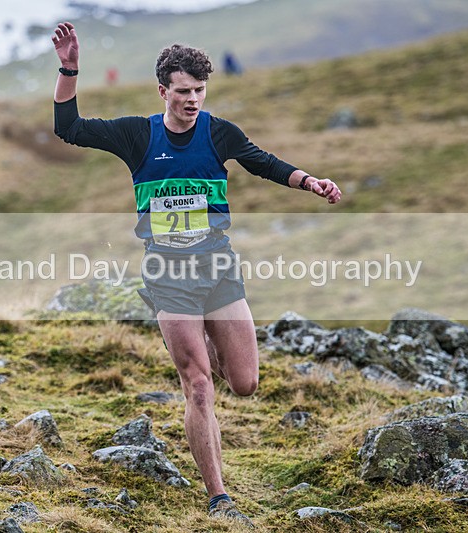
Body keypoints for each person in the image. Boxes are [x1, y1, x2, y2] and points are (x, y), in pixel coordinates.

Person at [52, 21, 341, 527]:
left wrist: (309, 181)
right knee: (199, 386)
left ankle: (208, 347)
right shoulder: (137, 134)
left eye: (200, 91)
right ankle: (219, 496)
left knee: (245, 383)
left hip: (218, 269)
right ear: (163, 90)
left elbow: (261, 162)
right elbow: (68, 128)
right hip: (167, 275)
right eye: (183, 92)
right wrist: (69, 68)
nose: (192, 100)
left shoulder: (217, 131)